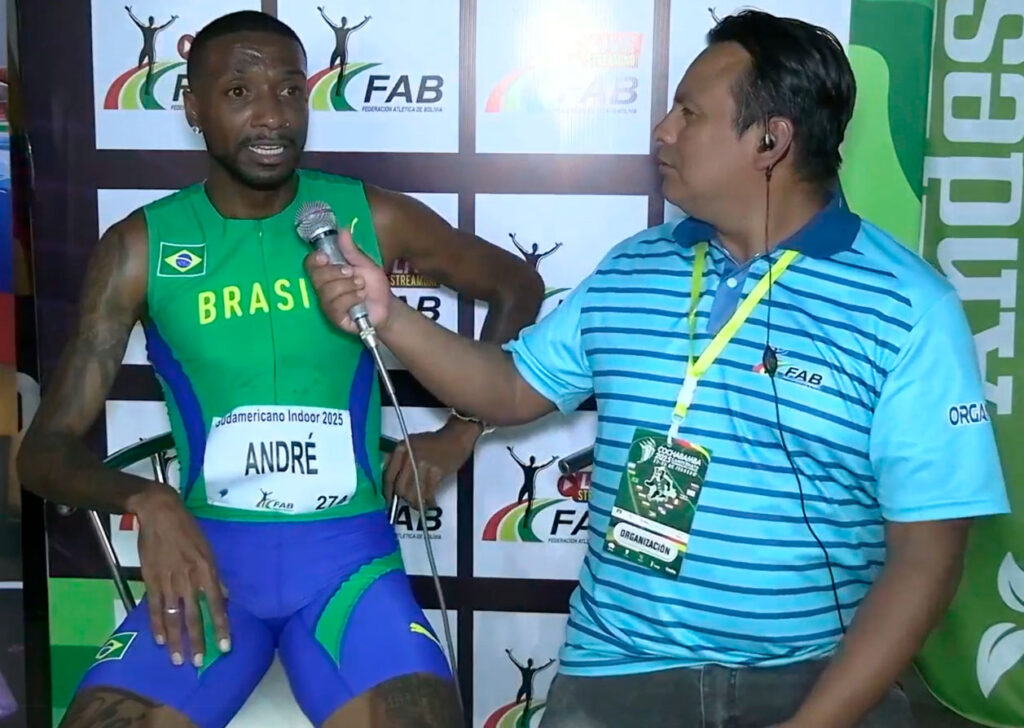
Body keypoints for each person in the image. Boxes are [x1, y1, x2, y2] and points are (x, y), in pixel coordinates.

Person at [305, 9, 1010, 727]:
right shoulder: (635, 267)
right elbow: (513, 387)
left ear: (771, 140)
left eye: (689, 113)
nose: (662, 131)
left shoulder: (906, 307)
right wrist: (388, 315)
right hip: (617, 674)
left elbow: (928, 558)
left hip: (816, 678)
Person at [19, 10, 541, 728]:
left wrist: (461, 432)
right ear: (192, 107)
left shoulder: (364, 219)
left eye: (291, 91)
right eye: (239, 92)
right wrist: (149, 500)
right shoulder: (141, 246)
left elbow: (517, 285)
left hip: (347, 566)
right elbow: (42, 453)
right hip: (211, 572)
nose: (272, 116)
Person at [124, 6, 179, 91]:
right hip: (145, 49)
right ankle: (136, 84)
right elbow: (136, 21)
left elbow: (164, 26)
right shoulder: (145, 29)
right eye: (150, 21)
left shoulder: (154, 30)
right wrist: (130, 12)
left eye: (152, 21)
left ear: (153, 22)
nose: (151, 22)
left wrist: (173, 20)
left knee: (150, 69)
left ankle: (147, 87)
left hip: (151, 51)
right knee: (139, 65)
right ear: (149, 21)